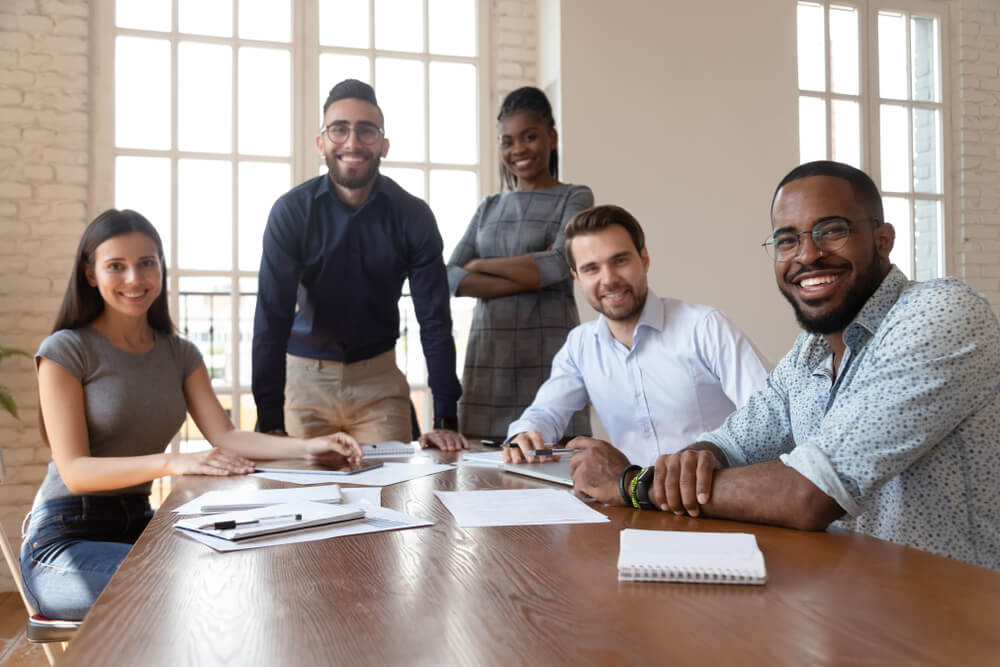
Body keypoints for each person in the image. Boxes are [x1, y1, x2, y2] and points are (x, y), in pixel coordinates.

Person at [574, 161, 1000, 572]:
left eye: (831, 230)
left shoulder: (941, 314)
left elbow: (811, 493)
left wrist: (634, 484)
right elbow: (731, 443)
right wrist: (690, 464)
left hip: (960, 622)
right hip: (853, 604)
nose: (808, 255)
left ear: (883, 239)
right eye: (787, 240)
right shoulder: (810, 351)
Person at [21, 209, 364, 621]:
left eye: (147, 263)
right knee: (191, 588)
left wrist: (311, 445)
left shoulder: (179, 353)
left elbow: (227, 436)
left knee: (242, 566)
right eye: (116, 266)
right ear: (91, 275)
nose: (135, 279)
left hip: (139, 524)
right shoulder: (66, 349)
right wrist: (174, 461)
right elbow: (74, 470)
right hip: (64, 540)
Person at [252, 79, 465, 450]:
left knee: (391, 497)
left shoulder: (413, 216)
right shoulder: (291, 212)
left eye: (366, 131)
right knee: (300, 500)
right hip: (303, 382)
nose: (352, 142)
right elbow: (272, 316)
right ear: (321, 142)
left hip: (378, 384)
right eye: (339, 129)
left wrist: (445, 417)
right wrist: (270, 419)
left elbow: (434, 319)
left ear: (384, 145)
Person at [504, 204, 770, 470]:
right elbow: (546, 413)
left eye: (620, 261)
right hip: (632, 500)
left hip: (717, 498)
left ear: (644, 259)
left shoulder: (706, 328)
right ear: (576, 277)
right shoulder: (580, 345)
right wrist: (527, 432)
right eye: (591, 269)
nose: (608, 280)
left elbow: (770, 416)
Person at [447, 86, 593, 439]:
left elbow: (560, 264)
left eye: (530, 137)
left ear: (552, 138)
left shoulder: (575, 196)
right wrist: (533, 273)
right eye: (508, 141)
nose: (518, 150)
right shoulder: (488, 207)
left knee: (557, 469)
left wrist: (480, 265)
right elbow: (450, 276)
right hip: (489, 361)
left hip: (549, 357)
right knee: (480, 479)